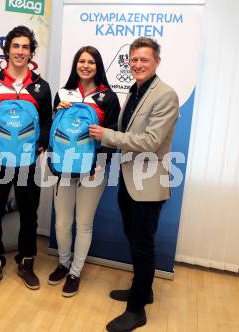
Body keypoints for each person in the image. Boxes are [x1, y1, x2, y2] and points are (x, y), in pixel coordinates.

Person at [90, 37, 179, 332]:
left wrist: (105, 135)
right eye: (134, 60)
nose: (138, 65)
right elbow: (125, 129)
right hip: (130, 180)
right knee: (134, 238)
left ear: (156, 62)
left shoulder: (165, 95)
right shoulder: (135, 90)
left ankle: (137, 309)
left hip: (149, 184)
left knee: (142, 246)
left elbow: (151, 142)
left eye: (144, 59)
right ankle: (144, 290)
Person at [0, 25, 52, 293]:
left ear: (32, 52)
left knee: (29, 215)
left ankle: (26, 262)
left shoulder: (41, 87)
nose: (20, 52)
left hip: (28, 164)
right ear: (7, 49)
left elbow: (46, 120)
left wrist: (42, 144)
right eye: (16, 46)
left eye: (25, 47)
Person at [48, 46, 120, 297]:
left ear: (98, 66)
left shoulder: (108, 97)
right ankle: (63, 263)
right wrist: (57, 112)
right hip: (64, 167)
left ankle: (75, 272)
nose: (86, 66)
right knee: (62, 223)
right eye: (81, 61)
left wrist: (99, 163)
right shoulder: (63, 92)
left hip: (93, 170)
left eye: (91, 62)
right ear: (75, 64)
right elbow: (54, 131)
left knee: (84, 223)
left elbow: (112, 133)